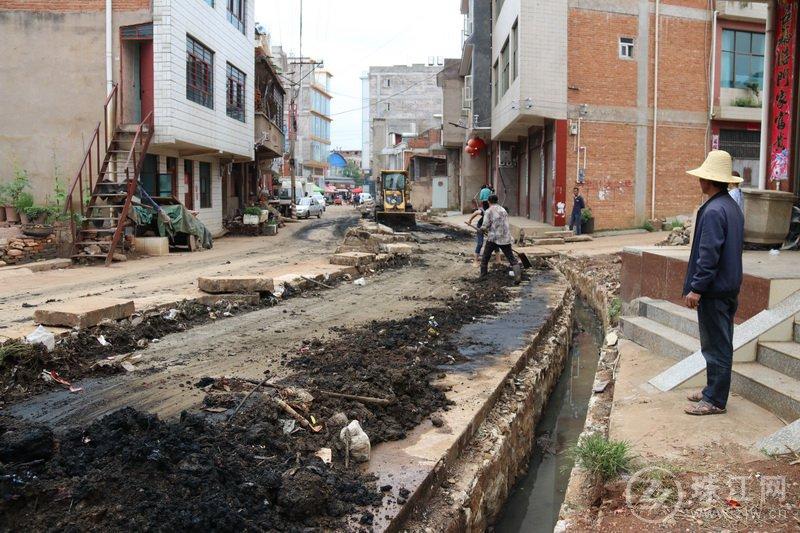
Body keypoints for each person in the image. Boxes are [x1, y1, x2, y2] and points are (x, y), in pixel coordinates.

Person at [682, 150, 744, 416]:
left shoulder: (714, 210)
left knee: (715, 345)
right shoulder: (731, 206)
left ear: (708, 180)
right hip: (727, 287)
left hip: (714, 291)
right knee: (720, 342)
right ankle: (712, 390)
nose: (700, 181)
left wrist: (697, 288)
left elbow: (709, 255)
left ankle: (716, 400)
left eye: (702, 177)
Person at [480, 195, 521, 283]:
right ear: (497, 200)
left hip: (493, 238)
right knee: (511, 258)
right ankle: (517, 277)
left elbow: (485, 225)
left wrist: (482, 230)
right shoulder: (503, 210)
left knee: (485, 257)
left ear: (488, 201)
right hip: (505, 238)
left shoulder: (488, 211)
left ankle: (483, 276)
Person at [466, 200, 486, 264]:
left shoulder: (495, 211)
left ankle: (498, 260)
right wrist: (470, 220)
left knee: (495, 244)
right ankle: (475, 260)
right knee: (480, 243)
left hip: (489, 228)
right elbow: (475, 213)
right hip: (480, 226)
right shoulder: (484, 211)